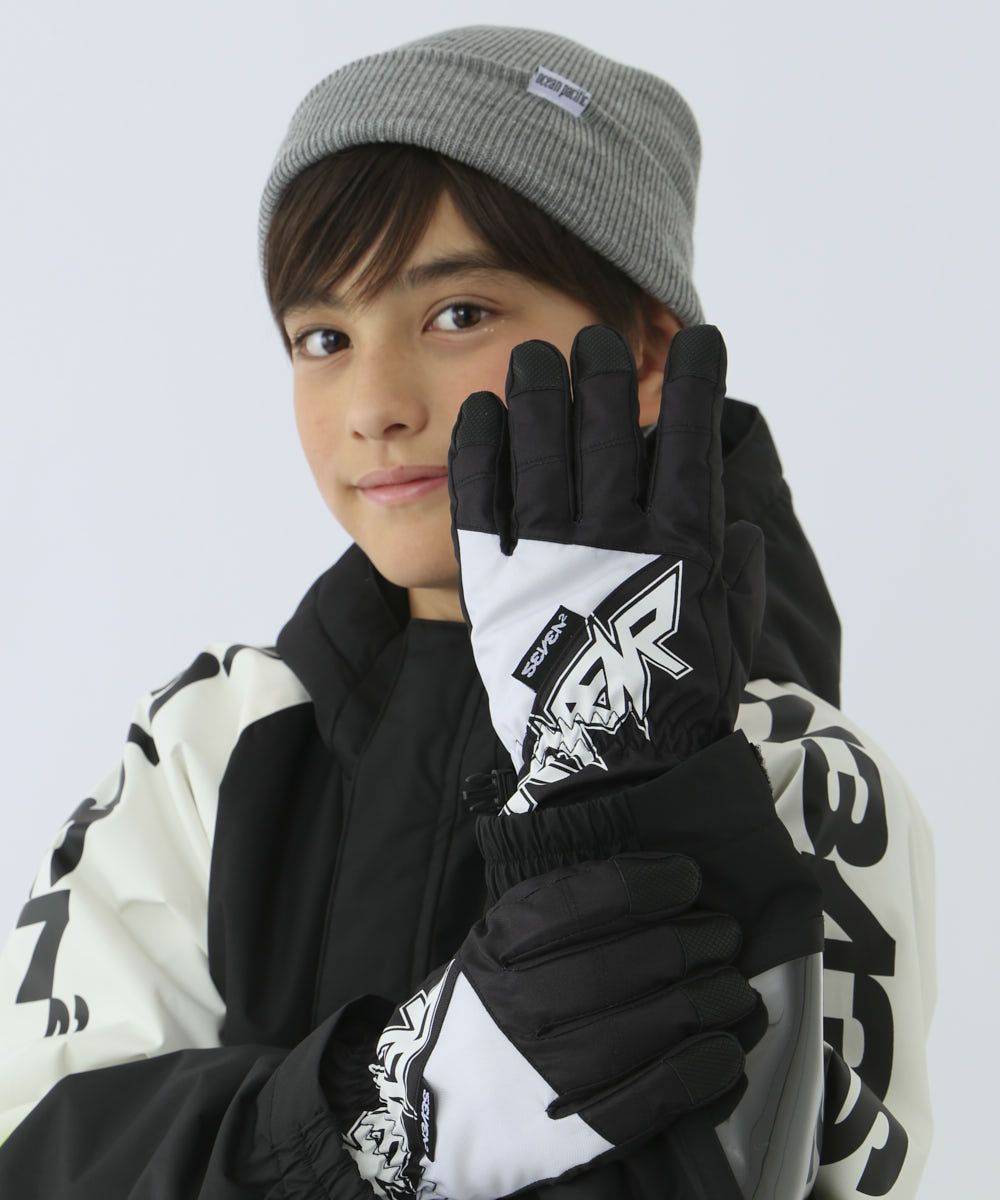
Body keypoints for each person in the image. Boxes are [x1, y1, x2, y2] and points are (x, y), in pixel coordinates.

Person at [0, 24, 935, 1200]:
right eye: (323, 337)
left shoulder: (797, 772)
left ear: (649, 351)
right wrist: (387, 1111)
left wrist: (622, 807)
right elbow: (40, 1154)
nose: (375, 404)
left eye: (457, 315)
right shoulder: (213, 745)